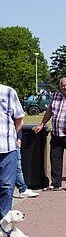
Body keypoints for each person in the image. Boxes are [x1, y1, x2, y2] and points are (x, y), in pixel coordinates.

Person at [0, 83, 25, 217]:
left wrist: (11, 137)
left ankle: (3, 223)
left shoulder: (8, 92)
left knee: (6, 188)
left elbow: (19, 120)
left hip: (7, 150)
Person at [15, 132, 38, 198]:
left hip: (12, 143)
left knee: (17, 168)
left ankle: (23, 189)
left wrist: (18, 139)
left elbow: (18, 126)